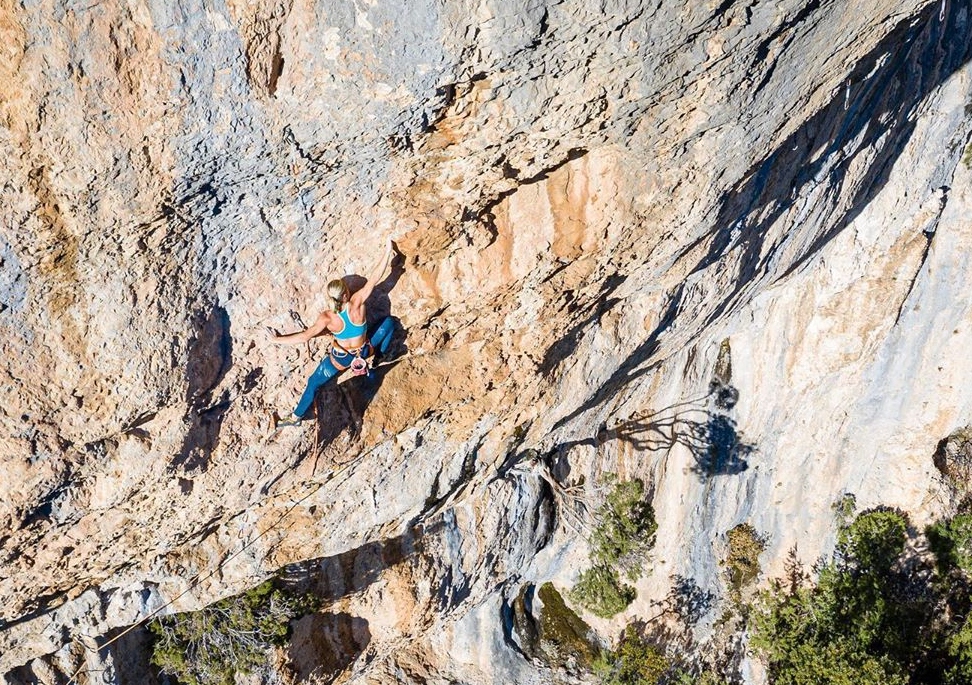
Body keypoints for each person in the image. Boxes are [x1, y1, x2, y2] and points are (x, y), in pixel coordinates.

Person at [269, 239, 397, 428]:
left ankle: (295, 418)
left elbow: (305, 336)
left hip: (341, 359)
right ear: (346, 294)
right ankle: (380, 357)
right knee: (389, 323)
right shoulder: (357, 303)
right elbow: (374, 279)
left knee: (314, 382)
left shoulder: (327, 318)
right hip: (365, 351)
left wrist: (276, 340)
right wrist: (387, 251)